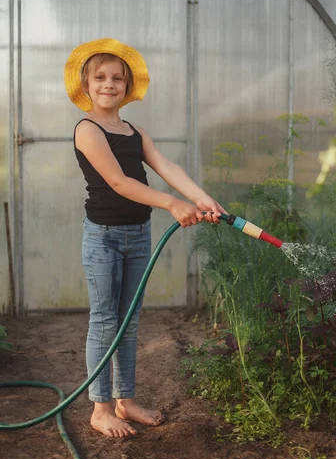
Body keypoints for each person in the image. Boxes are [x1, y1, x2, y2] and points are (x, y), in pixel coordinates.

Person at [64, 38, 226, 438]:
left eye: (117, 78)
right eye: (99, 77)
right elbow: (118, 182)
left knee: (129, 322)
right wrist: (172, 204)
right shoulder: (87, 129)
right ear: (85, 85)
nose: (109, 84)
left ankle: (126, 400)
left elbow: (166, 165)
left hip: (137, 235)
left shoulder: (135, 131)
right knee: (105, 321)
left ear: (127, 86)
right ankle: (101, 409)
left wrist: (202, 198)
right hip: (102, 237)